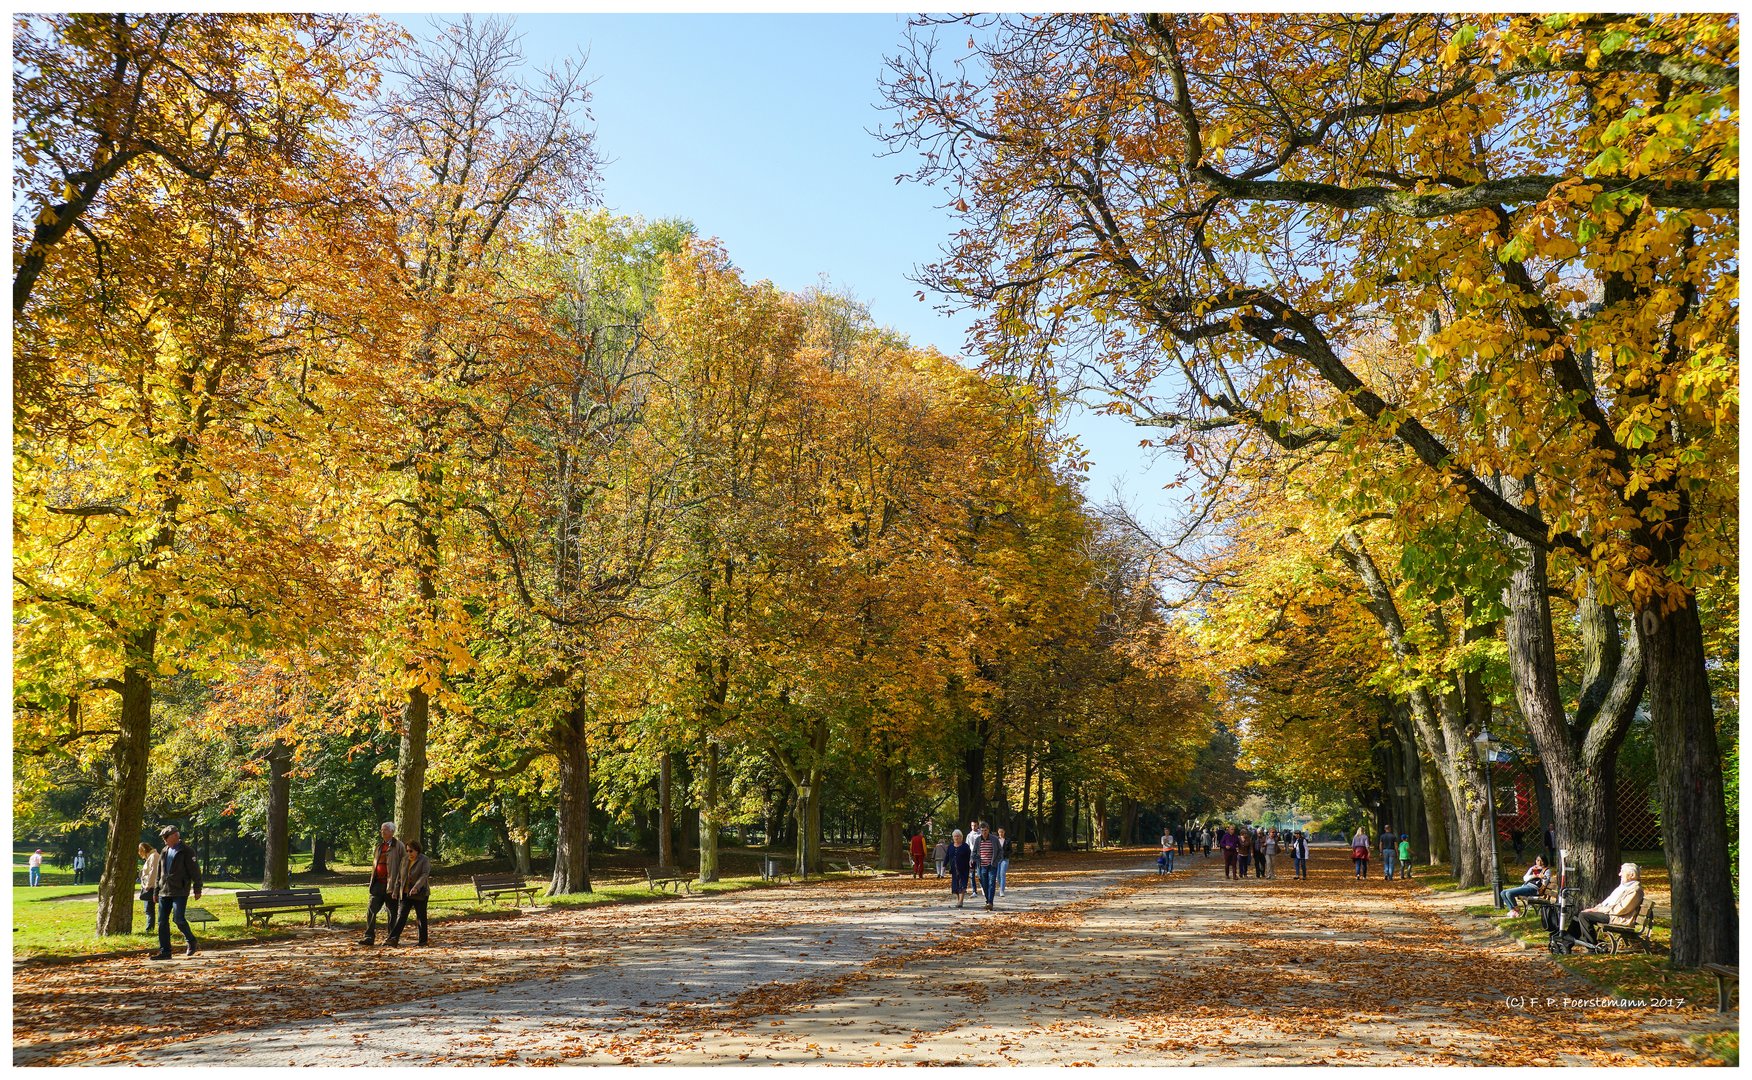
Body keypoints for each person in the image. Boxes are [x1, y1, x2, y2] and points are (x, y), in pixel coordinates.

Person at [150, 825, 202, 959]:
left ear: (174, 836)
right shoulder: (164, 851)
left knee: (178, 919)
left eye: (166, 837)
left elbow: (195, 871)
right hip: (164, 891)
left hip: (180, 890)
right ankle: (165, 952)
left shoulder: (187, 851)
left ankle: (191, 941)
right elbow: (159, 873)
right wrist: (156, 891)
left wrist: (197, 888)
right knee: (162, 922)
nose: (164, 840)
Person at [1575, 863, 1643, 950]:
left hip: (1618, 917)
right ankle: (1567, 941)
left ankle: (1592, 947)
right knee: (1580, 914)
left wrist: (1598, 910)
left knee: (1584, 916)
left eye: (1622, 872)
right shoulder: (1624, 886)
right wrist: (1596, 908)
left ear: (1632, 875)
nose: (1619, 874)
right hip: (1611, 914)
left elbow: (1621, 909)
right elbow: (1608, 901)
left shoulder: (1635, 890)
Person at [361, 821, 407, 946]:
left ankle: (391, 938)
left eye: (385, 830)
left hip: (391, 885)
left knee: (392, 912)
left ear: (392, 832)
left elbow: (404, 864)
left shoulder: (399, 846)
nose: (382, 832)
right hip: (377, 884)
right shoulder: (379, 847)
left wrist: (399, 881)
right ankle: (369, 937)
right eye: (382, 830)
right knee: (371, 909)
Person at [388, 839, 431, 946]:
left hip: (420, 893)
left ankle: (423, 941)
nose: (409, 853)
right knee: (401, 916)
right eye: (407, 851)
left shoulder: (424, 860)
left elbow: (424, 875)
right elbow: (400, 876)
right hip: (405, 893)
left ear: (417, 850)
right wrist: (395, 890)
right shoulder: (404, 860)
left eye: (411, 851)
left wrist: (416, 887)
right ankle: (393, 939)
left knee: (421, 917)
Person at [974, 821, 999, 909]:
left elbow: (1000, 851)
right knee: (984, 883)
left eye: (985, 830)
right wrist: (974, 859)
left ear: (988, 830)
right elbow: (974, 852)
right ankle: (987, 900)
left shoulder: (994, 839)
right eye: (982, 830)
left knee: (991, 882)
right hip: (982, 865)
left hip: (992, 865)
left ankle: (990, 902)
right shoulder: (978, 840)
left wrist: (996, 861)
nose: (984, 832)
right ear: (980, 831)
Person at [137, 842, 161, 933]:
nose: (139, 854)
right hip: (150, 886)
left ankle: (149, 929)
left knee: (149, 909)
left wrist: (148, 885)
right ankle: (150, 928)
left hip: (151, 887)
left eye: (140, 852)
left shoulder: (154, 856)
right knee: (149, 909)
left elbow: (153, 872)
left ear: (143, 850)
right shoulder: (151, 857)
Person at [947, 829, 972, 908]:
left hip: (964, 869)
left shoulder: (965, 846)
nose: (956, 838)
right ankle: (959, 900)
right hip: (954, 869)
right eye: (955, 836)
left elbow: (969, 857)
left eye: (958, 836)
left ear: (961, 837)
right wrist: (944, 865)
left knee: (962, 884)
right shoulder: (950, 846)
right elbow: (947, 856)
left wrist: (972, 866)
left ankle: (960, 901)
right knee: (956, 886)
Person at [995, 827, 1011, 896]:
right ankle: (1001, 886)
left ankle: (1002, 891)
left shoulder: (1008, 840)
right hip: (997, 859)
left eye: (1002, 832)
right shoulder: (996, 840)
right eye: (999, 832)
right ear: (998, 832)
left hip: (1005, 859)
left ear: (1004, 832)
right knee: (998, 875)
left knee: (1002, 873)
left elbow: (1010, 850)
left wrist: (1006, 854)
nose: (1001, 833)